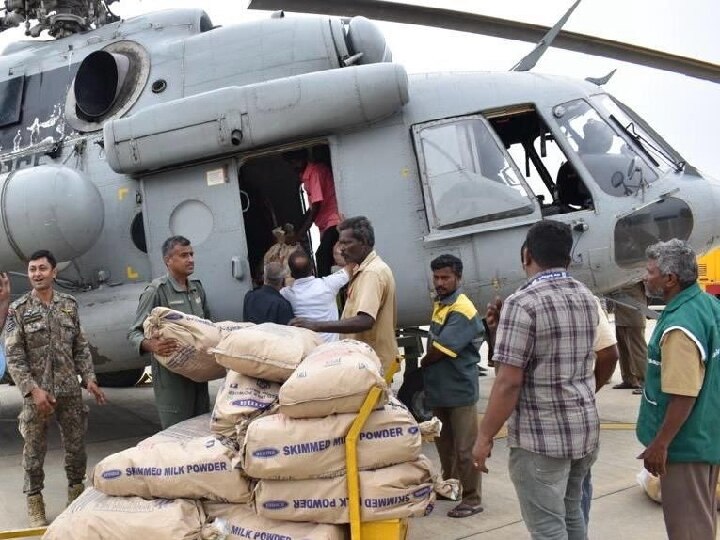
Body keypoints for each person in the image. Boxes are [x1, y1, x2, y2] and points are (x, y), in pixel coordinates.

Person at [473, 220, 607, 540]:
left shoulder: (523, 303)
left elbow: (508, 381)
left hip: (541, 439)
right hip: (584, 431)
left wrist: (485, 436)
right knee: (572, 513)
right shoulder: (587, 297)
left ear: (526, 255)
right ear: (569, 258)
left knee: (548, 528)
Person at [5, 250, 106, 526]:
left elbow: (80, 346)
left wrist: (89, 379)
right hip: (36, 395)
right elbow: (14, 356)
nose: (36, 274)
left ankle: (76, 495)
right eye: (32, 269)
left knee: (76, 448)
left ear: (54, 272)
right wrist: (32, 390)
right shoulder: (20, 308)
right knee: (34, 451)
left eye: (42, 268)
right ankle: (34, 501)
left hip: (69, 391)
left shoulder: (69, 305)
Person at [636, 239, 720, 540]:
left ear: (670, 279)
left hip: (685, 445)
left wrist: (660, 444)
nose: (646, 277)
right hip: (707, 433)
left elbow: (684, 393)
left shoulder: (679, 325)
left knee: (688, 529)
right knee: (702, 518)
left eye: (651, 272)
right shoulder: (707, 304)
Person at [419, 254, 483, 518]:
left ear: (458, 278)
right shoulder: (443, 303)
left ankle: (473, 498)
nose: (440, 282)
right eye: (436, 277)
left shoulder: (462, 309)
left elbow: (441, 349)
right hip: (441, 388)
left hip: (459, 390)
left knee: (466, 449)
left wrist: (424, 361)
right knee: (445, 446)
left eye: (445, 277)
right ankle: (452, 487)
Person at [291, 216, 398, 371]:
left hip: (372, 363)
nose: (341, 248)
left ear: (364, 243)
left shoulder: (372, 273)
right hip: (366, 361)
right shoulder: (363, 270)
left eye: (347, 243)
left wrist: (316, 325)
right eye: (340, 242)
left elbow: (365, 320)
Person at [127, 236, 211, 429]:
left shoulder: (197, 288)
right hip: (172, 380)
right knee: (178, 434)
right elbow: (134, 333)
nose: (190, 259)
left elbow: (208, 324)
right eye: (183, 255)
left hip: (199, 375)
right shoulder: (157, 291)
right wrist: (152, 345)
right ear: (168, 260)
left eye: (191, 254)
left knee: (201, 433)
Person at [284, 149, 341, 277]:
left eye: (294, 162)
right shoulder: (306, 176)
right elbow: (312, 207)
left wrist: (300, 234)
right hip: (325, 224)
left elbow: (316, 206)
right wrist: (299, 224)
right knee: (330, 260)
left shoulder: (315, 172)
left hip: (333, 221)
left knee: (321, 256)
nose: (293, 166)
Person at [281, 250, 352, 342]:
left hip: (310, 349)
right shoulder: (328, 284)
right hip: (332, 346)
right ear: (312, 268)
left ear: (291, 274)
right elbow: (352, 267)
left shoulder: (287, 293)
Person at [612, 282, 648, 393]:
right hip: (620, 309)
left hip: (634, 308)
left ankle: (645, 382)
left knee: (637, 350)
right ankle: (628, 379)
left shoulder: (637, 268)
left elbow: (648, 288)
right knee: (622, 348)